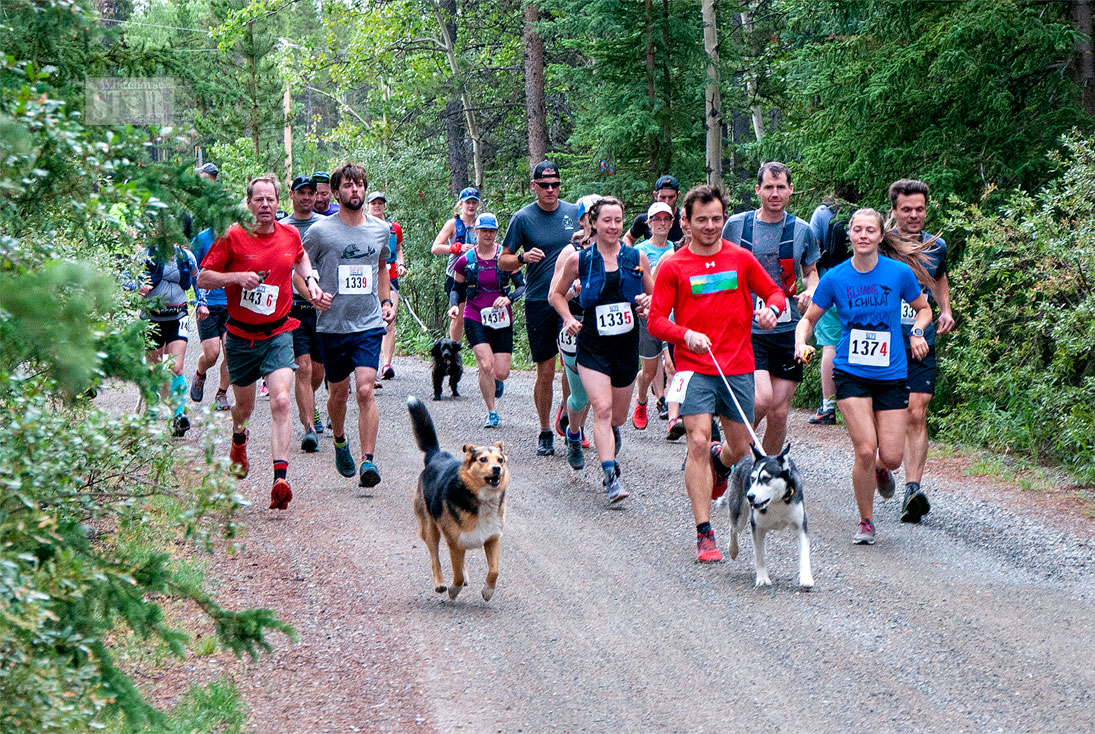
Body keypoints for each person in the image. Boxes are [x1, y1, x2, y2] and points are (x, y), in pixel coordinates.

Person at [648, 184, 785, 562]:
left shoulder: (741, 259)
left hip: (737, 367)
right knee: (696, 440)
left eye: (716, 219)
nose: (710, 226)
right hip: (694, 368)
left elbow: (774, 293)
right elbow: (656, 320)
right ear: (686, 222)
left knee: (739, 448)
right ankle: (704, 532)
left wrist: (771, 311)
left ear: (725, 218)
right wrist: (685, 334)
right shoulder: (673, 266)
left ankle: (720, 463)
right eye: (701, 220)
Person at [795, 208, 932, 544]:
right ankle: (866, 521)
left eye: (870, 230)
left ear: (880, 236)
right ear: (850, 235)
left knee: (892, 457)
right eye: (857, 230)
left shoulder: (898, 273)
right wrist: (800, 342)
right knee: (866, 450)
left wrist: (917, 331)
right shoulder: (836, 278)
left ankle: (882, 470)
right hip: (851, 372)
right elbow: (809, 319)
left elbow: (923, 308)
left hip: (892, 373)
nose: (863, 235)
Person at [196, 174, 322, 511]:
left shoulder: (289, 234)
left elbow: (300, 257)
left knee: (281, 400)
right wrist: (236, 277)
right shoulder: (232, 236)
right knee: (245, 408)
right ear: (249, 203)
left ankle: (280, 479)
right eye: (258, 200)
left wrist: (310, 280)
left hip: (279, 331)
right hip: (240, 336)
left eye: (270, 199)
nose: (265, 205)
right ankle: (239, 436)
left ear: (279, 203)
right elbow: (203, 277)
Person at [550, 197, 653, 502]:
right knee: (603, 409)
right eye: (606, 220)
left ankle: (588, 436)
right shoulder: (580, 260)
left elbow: (657, 294)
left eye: (618, 220)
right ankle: (610, 477)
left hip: (626, 347)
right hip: (593, 346)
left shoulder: (636, 257)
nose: (613, 226)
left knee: (617, 417)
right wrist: (568, 318)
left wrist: (648, 304)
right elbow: (555, 295)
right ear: (593, 223)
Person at [302, 162, 395, 488]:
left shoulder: (380, 229)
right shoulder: (320, 231)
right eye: (347, 185)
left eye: (359, 185)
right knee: (338, 394)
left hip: (368, 323)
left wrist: (386, 301)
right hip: (332, 325)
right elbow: (297, 268)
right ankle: (340, 440)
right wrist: (312, 293)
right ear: (336, 192)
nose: (354, 190)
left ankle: (368, 461)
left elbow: (381, 267)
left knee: (366, 389)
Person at [722, 162, 820, 455]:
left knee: (779, 412)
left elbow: (810, 272)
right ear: (758, 190)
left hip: (788, 329)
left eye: (780, 187)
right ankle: (729, 457)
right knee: (760, 400)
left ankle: (767, 470)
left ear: (790, 190)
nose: (774, 193)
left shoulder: (802, 230)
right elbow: (719, 266)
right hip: (747, 329)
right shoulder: (737, 226)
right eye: (768, 187)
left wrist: (811, 290)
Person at [885, 178, 955, 523]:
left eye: (920, 209)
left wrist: (945, 310)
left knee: (917, 411)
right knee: (885, 413)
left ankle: (912, 491)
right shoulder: (881, 243)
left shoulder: (935, 245)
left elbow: (938, 276)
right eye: (907, 209)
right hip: (883, 340)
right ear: (894, 210)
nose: (914, 215)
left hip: (921, 335)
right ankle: (881, 463)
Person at [499, 160, 580, 456]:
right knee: (545, 371)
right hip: (538, 300)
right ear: (534, 186)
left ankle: (569, 420)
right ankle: (545, 430)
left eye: (555, 184)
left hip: (571, 299)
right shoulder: (523, 218)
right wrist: (522, 258)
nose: (550, 190)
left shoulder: (574, 213)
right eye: (544, 185)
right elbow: (502, 260)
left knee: (572, 367)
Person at [448, 213, 525, 427]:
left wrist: (509, 298)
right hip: (474, 315)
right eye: (484, 231)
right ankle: (491, 411)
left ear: (496, 233)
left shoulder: (506, 258)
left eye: (492, 231)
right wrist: (454, 305)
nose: (488, 235)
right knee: (485, 365)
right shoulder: (465, 261)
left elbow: (521, 286)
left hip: (501, 318)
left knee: (501, 372)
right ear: (476, 232)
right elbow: (456, 289)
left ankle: (496, 381)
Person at [547, 193, 601, 468]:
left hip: (605, 327)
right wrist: (575, 290)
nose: (597, 218)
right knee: (581, 396)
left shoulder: (616, 250)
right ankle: (574, 431)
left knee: (602, 390)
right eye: (591, 214)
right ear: (582, 220)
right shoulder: (571, 252)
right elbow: (554, 295)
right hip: (576, 324)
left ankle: (607, 434)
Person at [136, 237, 199, 437]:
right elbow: (125, 278)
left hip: (178, 316)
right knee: (153, 369)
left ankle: (179, 417)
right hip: (152, 318)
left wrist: (202, 301)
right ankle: (152, 407)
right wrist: (137, 286)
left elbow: (198, 280)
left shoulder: (186, 256)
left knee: (176, 367)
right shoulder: (145, 255)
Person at [284, 175, 326, 452]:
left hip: (322, 309)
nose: (308, 197)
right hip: (294, 308)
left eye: (311, 192)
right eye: (302, 192)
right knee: (303, 366)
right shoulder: (283, 228)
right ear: (292, 195)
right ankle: (309, 428)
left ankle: (310, 403)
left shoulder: (325, 226)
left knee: (318, 371)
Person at [632, 201, 676, 430]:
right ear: (648, 224)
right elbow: (632, 284)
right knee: (648, 371)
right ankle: (641, 399)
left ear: (672, 223)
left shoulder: (676, 250)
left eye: (665, 219)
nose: (661, 223)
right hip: (647, 317)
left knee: (672, 365)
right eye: (657, 219)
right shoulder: (639, 252)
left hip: (671, 316)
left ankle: (671, 413)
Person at [806, 198, 845, 425]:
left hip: (829, 283)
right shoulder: (870, 209)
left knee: (830, 345)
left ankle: (828, 406)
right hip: (863, 286)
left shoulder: (824, 212)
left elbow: (813, 250)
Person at [190, 219, 232, 414]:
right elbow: (193, 272)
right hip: (208, 305)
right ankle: (200, 374)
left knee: (230, 352)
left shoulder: (235, 237)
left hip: (231, 305)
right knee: (212, 354)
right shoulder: (201, 239)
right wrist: (200, 300)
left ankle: (221, 393)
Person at [431, 187, 479, 341]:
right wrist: (456, 248)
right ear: (461, 204)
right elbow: (435, 248)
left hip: (476, 275)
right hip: (455, 275)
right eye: (467, 202)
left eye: (474, 203)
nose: (471, 206)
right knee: (458, 316)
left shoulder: (481, 224)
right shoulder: (453, 224)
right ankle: (454, 348)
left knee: (478, 315)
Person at [368, 192, 406, 380]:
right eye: (374, 203)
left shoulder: (394, 228)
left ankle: (387, 365)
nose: (377, 206)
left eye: (380, 203)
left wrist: (401, 264)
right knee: (370, 323)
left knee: (389, 320)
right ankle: (369, 366)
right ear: (368, 206)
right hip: (369, 281)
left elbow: (398, 249)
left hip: (391, 279)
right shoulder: (363, 226)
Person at [623, 174, 685, 245]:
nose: (667, 201)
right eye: (663, 197)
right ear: (655, 195)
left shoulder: (685, 219)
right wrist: (630, 252)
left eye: (671, 197)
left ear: (678, 195)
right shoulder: (645, 219)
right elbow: (628, 238)